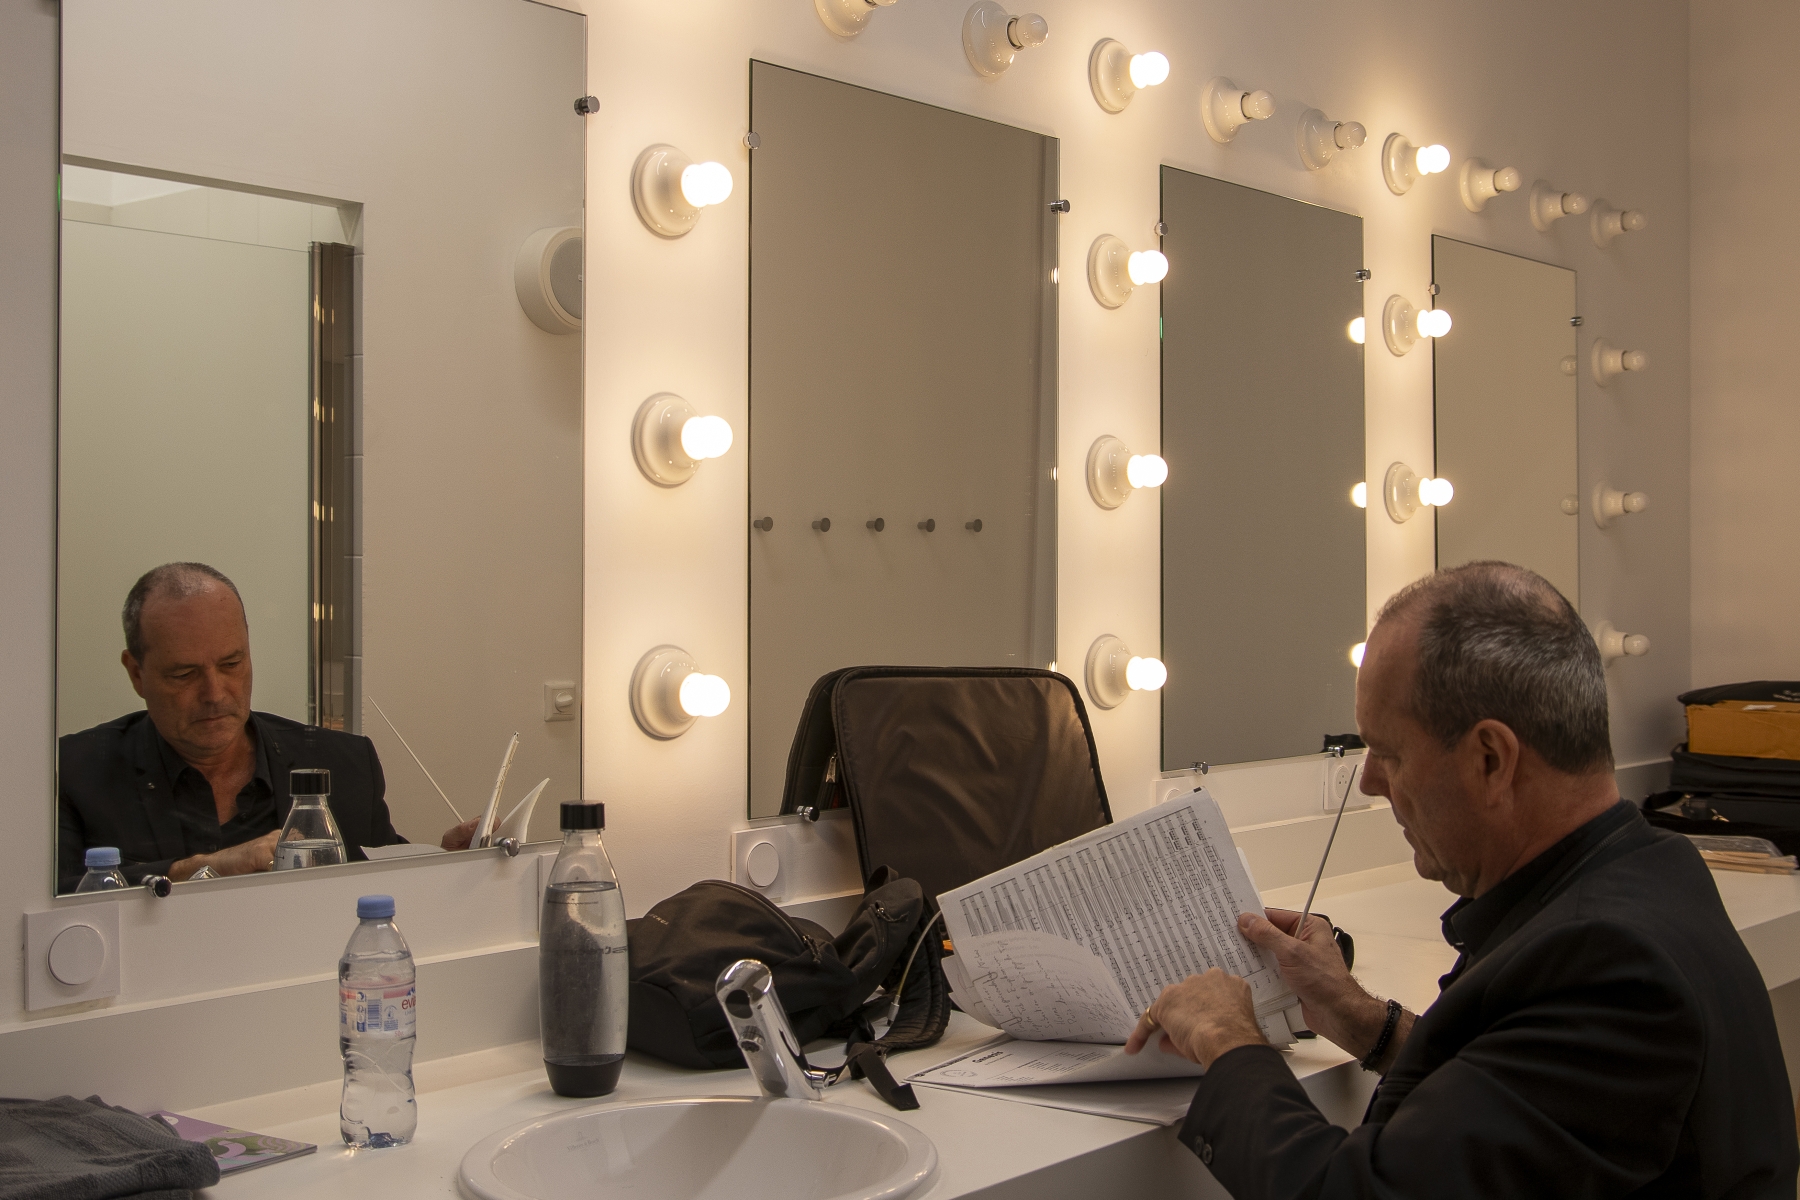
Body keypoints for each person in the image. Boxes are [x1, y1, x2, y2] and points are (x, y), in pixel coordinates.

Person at [1127, 561, 1797, 1197]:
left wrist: (1229, 1040)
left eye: (1389, 753)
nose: (1370, 782)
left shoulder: (1609, 966)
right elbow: (1518, 1101)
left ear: (1490, 759)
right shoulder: (1648, 870)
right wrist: (1361, 1019)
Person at [57, 563, 478, 893]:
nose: (214, 693)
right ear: (136, 674)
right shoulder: (74, 773)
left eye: (231, 664)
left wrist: (444, 867)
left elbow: (381, 889)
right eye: (184, 674)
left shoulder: (342, 764)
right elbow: (51, 900)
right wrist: (199, 870)